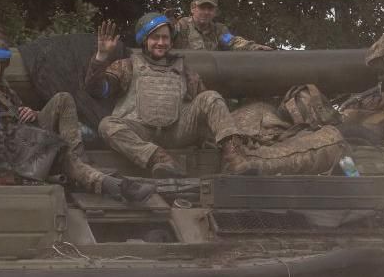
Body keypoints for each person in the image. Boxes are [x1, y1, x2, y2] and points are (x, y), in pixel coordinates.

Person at [0, 28, 155, 202]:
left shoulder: (5, 90)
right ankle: (112, 184)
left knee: (63, 98)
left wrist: (33, 112)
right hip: (9, 147)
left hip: (28, 134)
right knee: (68, 162)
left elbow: (17, 113)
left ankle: (79, 158)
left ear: (2, 67)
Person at [87, 13, 257, 177]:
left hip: (177, 132)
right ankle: (159, 158)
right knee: (107, 125)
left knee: (211, 97)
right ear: (145, 40)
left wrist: (212, 137)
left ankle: (234, 156)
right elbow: (98, 90)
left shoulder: (184, 70)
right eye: (155, 38)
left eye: (165, 38)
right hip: (140, 131)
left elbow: (206, 106)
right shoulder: (127, 66)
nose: (161, 42)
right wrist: (101, 56)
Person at [172, 0, 273, 51]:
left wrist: (255, 47)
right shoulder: (181, 26)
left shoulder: (219, 30)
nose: (206, 12)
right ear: (193, 8)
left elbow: (233, 42)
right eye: (202, 7)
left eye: (210, 9)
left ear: (215, 11)